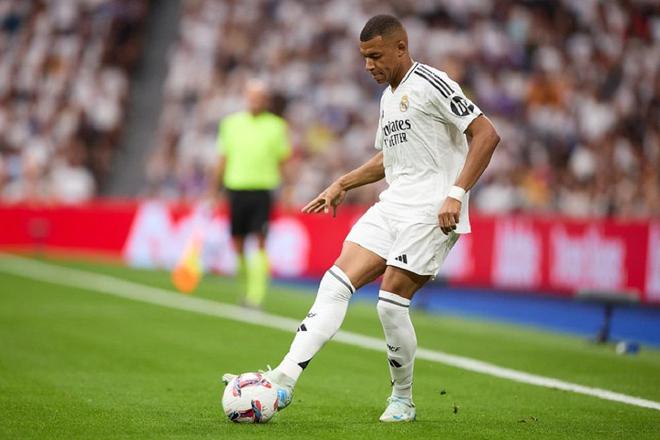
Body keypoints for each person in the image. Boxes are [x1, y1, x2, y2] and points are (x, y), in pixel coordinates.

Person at [224, 15, 500, 422]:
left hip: (432, 210)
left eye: (376, 56)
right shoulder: (388, 98)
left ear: (401, 48)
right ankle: (283, 379)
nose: (369, 65)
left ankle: (402, 400)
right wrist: (343, 183)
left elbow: (487, 133)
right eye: (364, 58)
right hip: (394, 204)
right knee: (334, 283)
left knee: (390, 304)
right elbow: (390, 158)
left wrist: (456, 194)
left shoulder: (432, 83)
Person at [210, 79, 291, 308]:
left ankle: (256, 296)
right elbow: (222, 158)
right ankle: (245, 288)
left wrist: (287, 190)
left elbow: (283, 162)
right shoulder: (231, 124)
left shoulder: (277, 126)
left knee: (260, 240)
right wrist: (214, 189)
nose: (256, 101)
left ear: (266, 100)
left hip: (262, 190)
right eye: (252, 96)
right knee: (237, 242)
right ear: (246, 97)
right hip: (236, 189)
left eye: (260, 97)